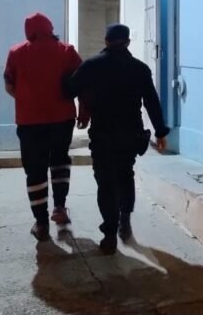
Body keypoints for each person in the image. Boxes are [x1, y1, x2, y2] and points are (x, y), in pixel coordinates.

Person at [65, 23, 170, 255]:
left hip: (103, 133)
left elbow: (69, 90)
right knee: (125, 174)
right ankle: (125, 220)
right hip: (131, 133)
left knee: (105, 182)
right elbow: (152, 102)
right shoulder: (139, 69)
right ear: (128, 42)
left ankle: (109, 233)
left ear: (106, 41)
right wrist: (161, 132)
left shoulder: (91, 66)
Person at [4, 12, 83, 241]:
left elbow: (9, 86)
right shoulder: (67, 51)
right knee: (59, 162)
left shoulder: (16, 53)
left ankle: (40, 224)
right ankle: (59, 208)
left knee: (35, 170)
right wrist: (84, 112)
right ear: (50, 28)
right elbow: (82, 82)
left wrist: (28, 100)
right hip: (63, 119)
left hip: (30, 122)